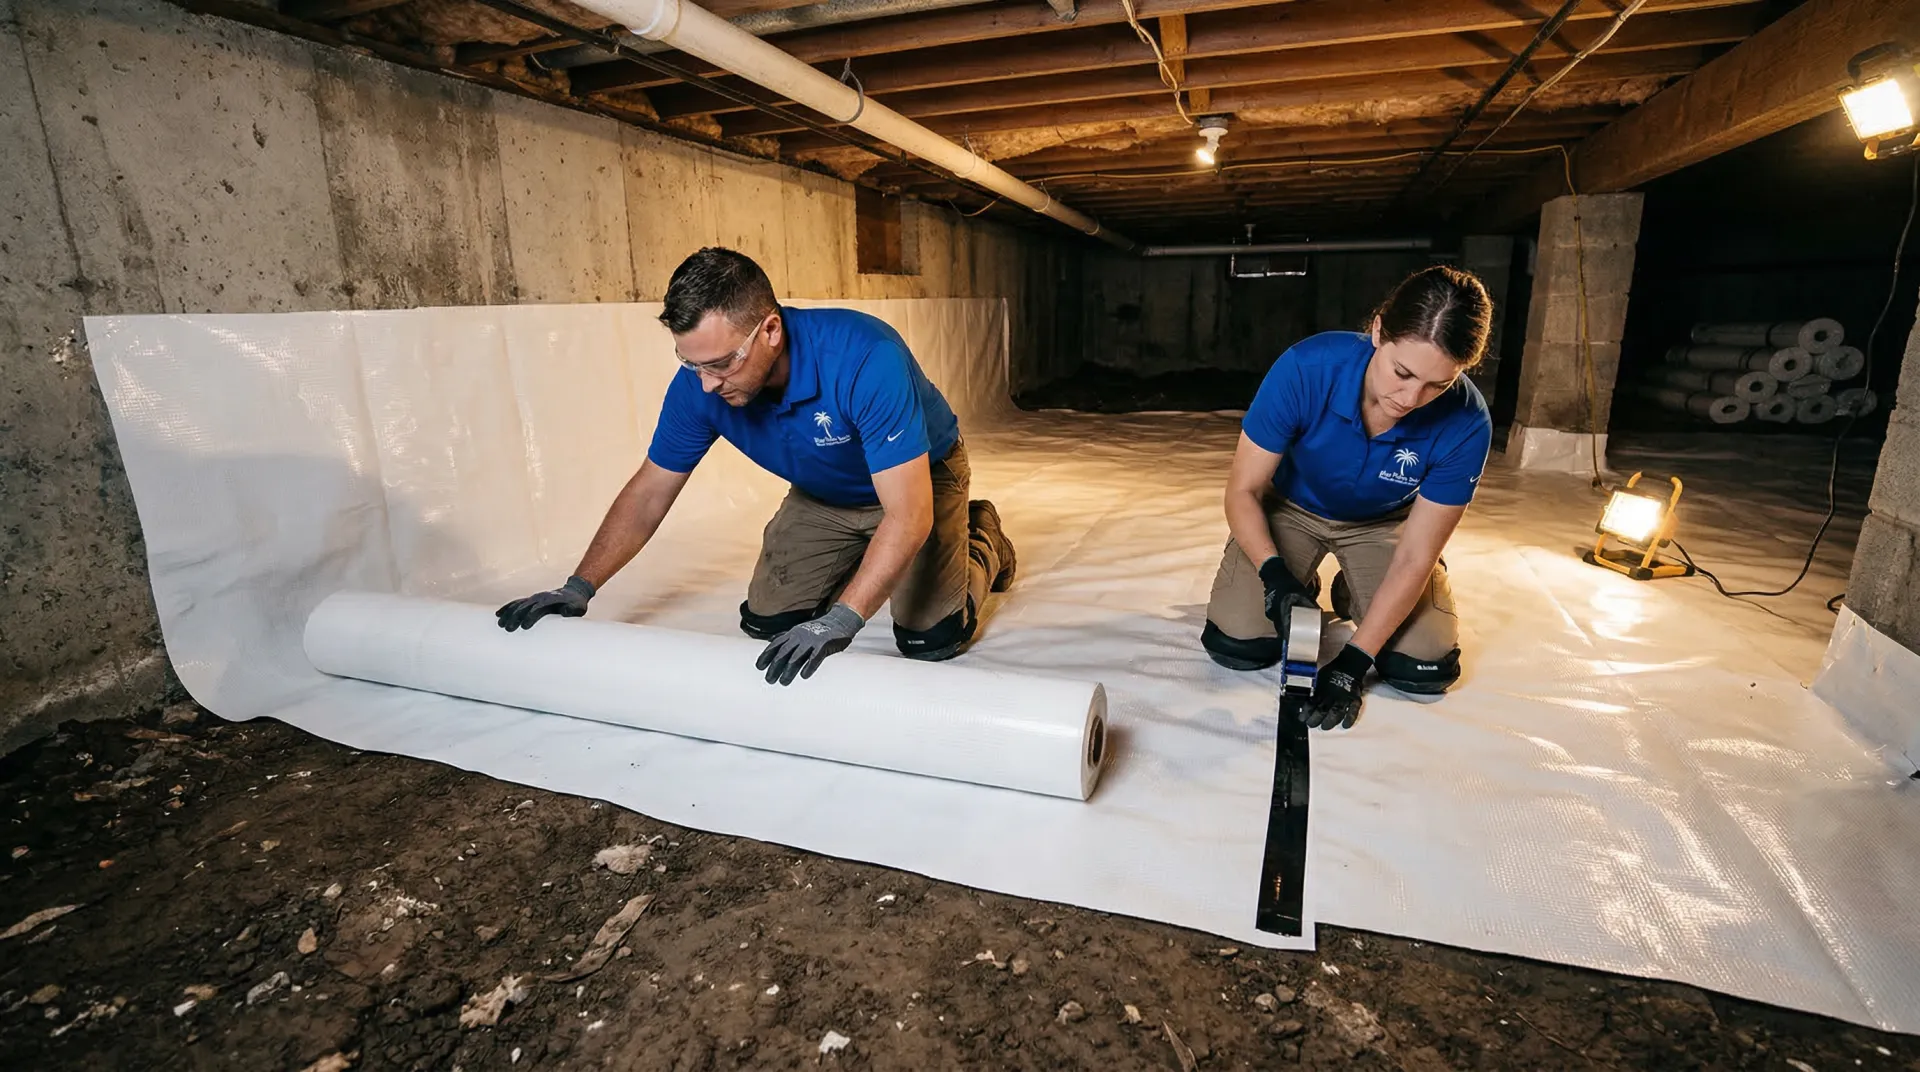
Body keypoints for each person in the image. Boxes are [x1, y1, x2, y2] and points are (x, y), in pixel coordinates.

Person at [495, 247, 1016, 686]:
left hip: (918, 480)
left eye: (721, 363)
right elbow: (651, 490)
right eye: (690, 362)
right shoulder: (700, 386)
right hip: (826, 491)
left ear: (770, 330)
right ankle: (863, 555)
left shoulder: (865, 357)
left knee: (928, 641)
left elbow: (907, 515)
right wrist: (579, 586)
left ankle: (982, 537)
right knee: (771, 624)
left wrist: (842, 618)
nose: (706, 383)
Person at [1201, 265, 1494, 731]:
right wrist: (1276, 577)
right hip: (1291, 509)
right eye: (1402, 372)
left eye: (1438, 384)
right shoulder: (1305, 368)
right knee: (1239, 643)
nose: (1412, 397)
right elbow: (1243, 490)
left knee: (1423, 668)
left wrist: (1352, 665)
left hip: (1383, 524)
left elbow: (1417, 553)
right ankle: (1301, 577)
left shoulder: (1468, 422)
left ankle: (1356, 590)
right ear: (1378, 331)